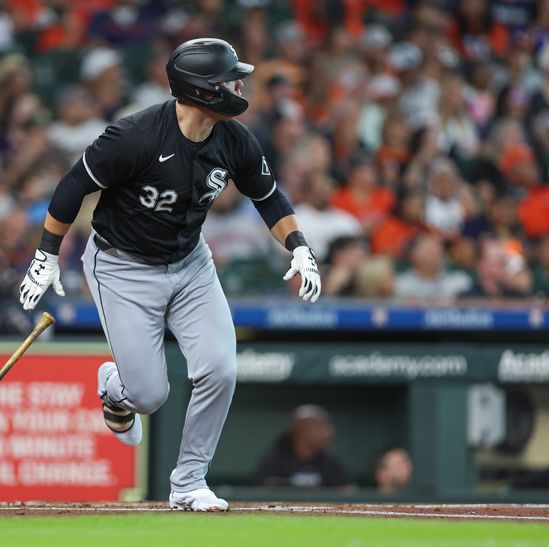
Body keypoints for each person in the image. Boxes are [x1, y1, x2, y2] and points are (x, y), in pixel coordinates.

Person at [18, 38, 322, 512]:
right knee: (148, 394)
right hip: (121, 265)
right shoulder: (135, 135)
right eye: (228, 78)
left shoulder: (235, 138)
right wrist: (45, 254)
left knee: (220, 369)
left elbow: (268, 197)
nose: (238, 85)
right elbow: (73, 185)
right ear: (202, 89)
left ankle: (189, 482)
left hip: (191, 264)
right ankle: (114, 389)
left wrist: (299, 246)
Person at [255, 405, 348, 489]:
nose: (328, 433)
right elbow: (260, 491)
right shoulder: (274, 460)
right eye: (319, 426)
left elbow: (346, 491)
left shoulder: (331, 462)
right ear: (301, 429)